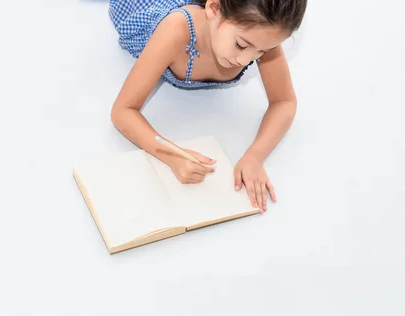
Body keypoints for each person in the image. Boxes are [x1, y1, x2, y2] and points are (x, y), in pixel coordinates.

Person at [109, 0, 307, 213]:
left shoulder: (262, 33)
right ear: (214, 9)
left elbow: (284, 101)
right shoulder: (176, 30)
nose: (245, 59)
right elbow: (123, 111)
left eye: (263, 52)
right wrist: (170, 154)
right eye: (241, 45)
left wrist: (255, 156)